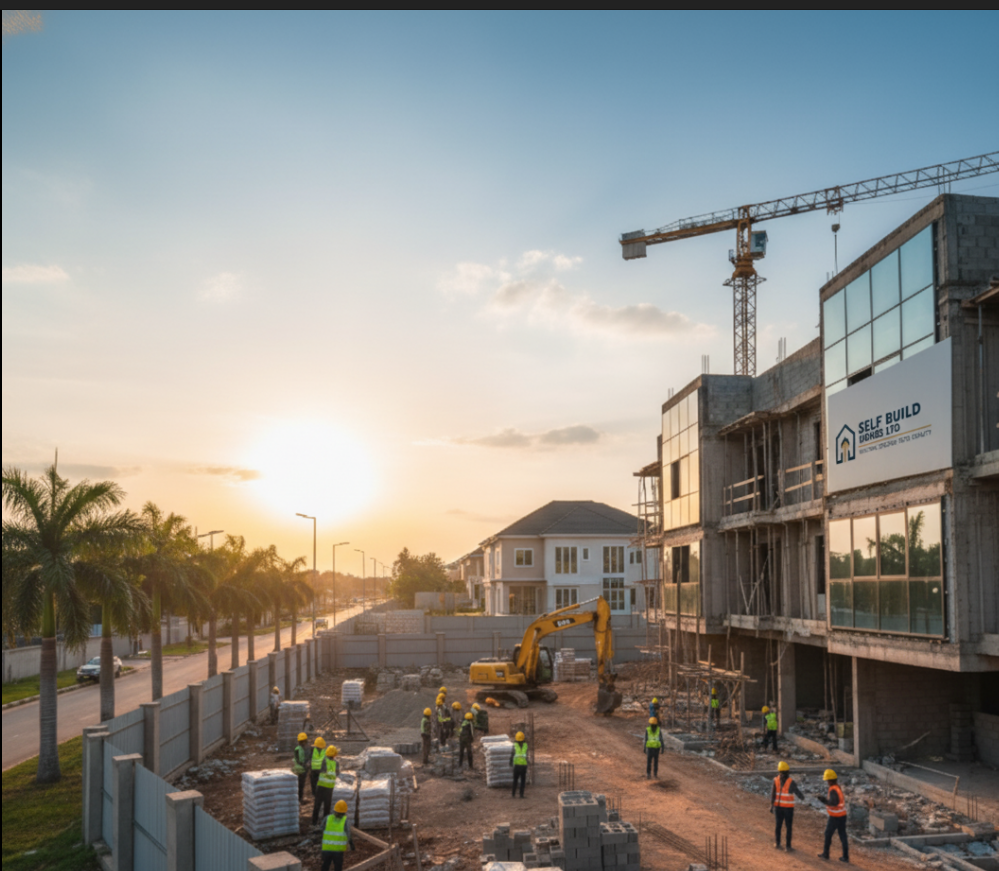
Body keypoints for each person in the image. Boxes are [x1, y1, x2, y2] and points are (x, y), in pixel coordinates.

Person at [770, 760, 805, 851]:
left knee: (778, 826)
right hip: (788, 809)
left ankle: (778, 844)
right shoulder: (791, 782)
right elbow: (798, 793)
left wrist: (771, 806)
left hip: (778, 808)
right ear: (788, 772)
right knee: (788, 827)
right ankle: (788, 846)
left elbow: (773, 794)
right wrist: (802, 797)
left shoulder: (776, 780)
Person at [817, 769, 849, 863]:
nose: (827, 782)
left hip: (835, 816)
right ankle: (845, 856)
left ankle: (826, 854)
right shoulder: (837, 788)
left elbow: (833, 803)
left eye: (827, 780)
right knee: (843, 835)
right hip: (842, 815)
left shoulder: (833, 790)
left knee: (828, 834)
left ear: (830, 780)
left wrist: (823, 800)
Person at [319, 799, 355, 871]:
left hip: (327, 848)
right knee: (338, 867)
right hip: (338, 850)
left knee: (325, 866)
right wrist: (351, 844)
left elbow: (321, 828)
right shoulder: (345, 821)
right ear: (344, 812)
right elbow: (348, 834)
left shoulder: (328, 818)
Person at [312, 745, 338, 825]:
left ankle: (314, 823)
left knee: (317, 805)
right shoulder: (336, 763)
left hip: (321, 786)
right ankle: (324, 823)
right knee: (327, 807)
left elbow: (319, 771)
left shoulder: (323, 761)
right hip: (329, 788)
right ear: (334, 755)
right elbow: (338, 773)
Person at [510, 731, 528, 798]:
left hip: (517, 766)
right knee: (523, 781)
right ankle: (521, 794)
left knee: (515, 780)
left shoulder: (515, 745)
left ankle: (513, 794)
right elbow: (527, 755)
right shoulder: (525, 745)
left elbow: (512, 755)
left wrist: (510, 763)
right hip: (523, 766)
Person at [293, 732, 310, 803]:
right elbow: (297, 760)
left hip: (302, 768)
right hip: (301, 769)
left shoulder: (303, 748)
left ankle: (299, 798)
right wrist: (305, 765)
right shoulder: (299, 749)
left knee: (301, 785)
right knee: (300, 785)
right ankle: (299, 799)